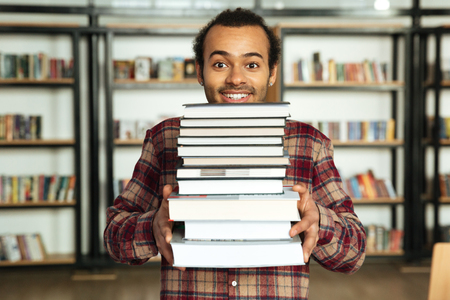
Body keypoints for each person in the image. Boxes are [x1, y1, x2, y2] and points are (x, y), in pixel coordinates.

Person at [104, 8, 366, 299]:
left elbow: (354, 255)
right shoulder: (165, 139)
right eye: (219, 64)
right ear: (200, 70)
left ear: (272, 71)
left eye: (252, 65)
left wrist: (320, 220)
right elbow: (115, 239)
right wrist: (152, 226)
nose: (236, 79)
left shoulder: (309, 144)